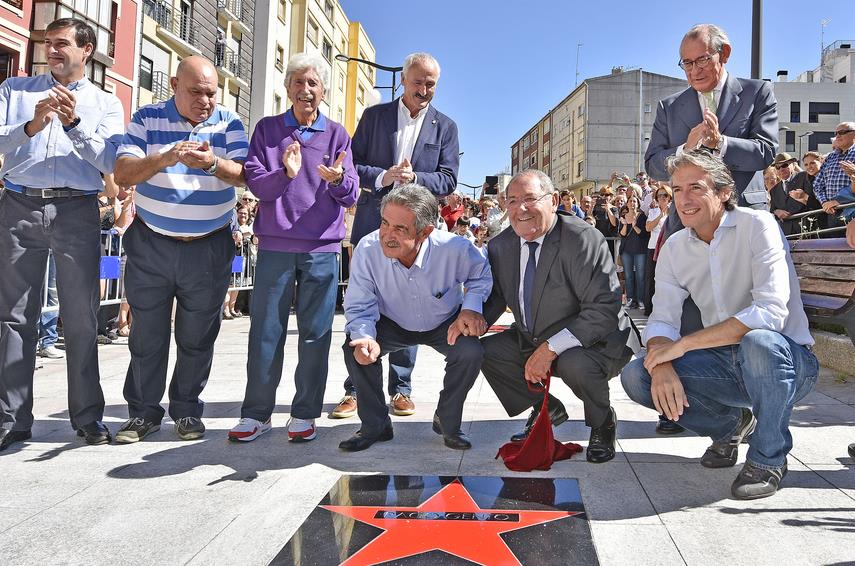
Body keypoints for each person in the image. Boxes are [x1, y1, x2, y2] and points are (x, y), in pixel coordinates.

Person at [621, 151, 818, 500]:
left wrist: (681, 345)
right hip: (724, 363)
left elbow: (770, 313)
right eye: (677, 189)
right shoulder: (675, 247)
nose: (684, 199)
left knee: (760, 342)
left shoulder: (758, 226)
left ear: (724, 192)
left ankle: (767, 457)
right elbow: (663, 317)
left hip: (785, 363)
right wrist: (662, 359)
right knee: (638, 376)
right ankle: (731, 426)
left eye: (696, 187)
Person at [0, 18, 124, 451]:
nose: (51, 50)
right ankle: (12, 419)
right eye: (48, 43)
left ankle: (88, 418)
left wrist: (73, 125)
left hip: (77, 209)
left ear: (86, 50)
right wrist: (32, 125)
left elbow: (110, 161)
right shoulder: (14, 92)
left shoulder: (107, 104)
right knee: (14, 317)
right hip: (18, 204)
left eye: (61, 44)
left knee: (82, 317)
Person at [112, 55, 248, 443]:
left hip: (208, 248)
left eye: (211, 93)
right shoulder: (146, 118)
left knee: (198, 335)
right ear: (173, 85)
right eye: (195, 92)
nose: (205, 101)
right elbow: (123, 173)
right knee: (147, 334)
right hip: (152, 244)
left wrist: (211, 164)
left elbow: (244, 175)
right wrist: (166, 157)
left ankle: (187, 411)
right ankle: (142, 413)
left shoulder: (230, 122)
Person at [227, 52, 359, 443]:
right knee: (266, 331)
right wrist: (286, 172)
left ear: (323, 92)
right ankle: (256, 413)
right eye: (298, 82)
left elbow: (350, 192)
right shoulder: (267, 131)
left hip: (323, 248)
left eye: (313, 83)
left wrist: (336, 180)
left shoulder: (337, 134)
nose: (306, 90)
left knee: (316, 334)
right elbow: (258, 187)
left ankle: (304, 413)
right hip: (276, 246)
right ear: (287, 89)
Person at [334, 52, 460, 420]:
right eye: (418, 82)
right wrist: (385, 177)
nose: (424, 90)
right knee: (364, 302)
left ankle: (401, 389)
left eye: (431, 85)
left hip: (417, 230)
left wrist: (416, 179)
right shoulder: (374, 117)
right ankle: (355, 387)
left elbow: (449, 178)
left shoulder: (446, 127)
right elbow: (351, 164)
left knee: (410, 302)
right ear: (404, 80)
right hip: (374, 221)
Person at [480, 170, 637, 464]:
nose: (520, 209)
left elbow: (603, 309)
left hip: (596, 340)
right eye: (512, 201)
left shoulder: (581, 239)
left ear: (553, 201)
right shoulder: (501, 246)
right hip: (534, 335)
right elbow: (499, 295)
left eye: (530, 199)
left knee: (574, 362)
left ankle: (602, 421)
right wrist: (474, 319)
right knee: (485, 351)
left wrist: (551, 348)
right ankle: (545, 407)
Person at [339, 184, 491, 452]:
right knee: (355, 350)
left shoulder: (454, 247)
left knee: (470, 352)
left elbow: (480, 276)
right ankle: (375, 426)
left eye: (400, 229)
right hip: (391, 322)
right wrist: (364, 336)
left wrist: (470, 307)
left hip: (444, 322)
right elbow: (360, 300)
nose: (387, 235)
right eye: (385, 223)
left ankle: (447, 420)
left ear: (425, 232)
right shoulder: (368, 247)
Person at [645, 23, 777, 214]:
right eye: (687, 63)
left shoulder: (757, 93)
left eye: (702, 60)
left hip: (743, 215)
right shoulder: (669, 107)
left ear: (724, 54)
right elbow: (652, 165)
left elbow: (766, 151)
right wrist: (684, 151)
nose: (694, 70)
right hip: (687, 221)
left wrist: (721, 143)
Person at [812, 122, 855, 233]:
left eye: (842, 132)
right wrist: (824, 202)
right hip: (831, 212)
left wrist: (839, 200)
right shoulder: (830, 157)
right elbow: (818, 184)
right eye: (836, 133)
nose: (838, 136)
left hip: (851, 210)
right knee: (834, 246)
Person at [618, 195, 649, 310]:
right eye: (630, 201)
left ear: (638, 204)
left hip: (640, 249)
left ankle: (641, 300)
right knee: (628, 276)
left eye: (634, 201)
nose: (632, 203)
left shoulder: (642, 217)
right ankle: (630, 299)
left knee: (640, 276)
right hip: (627, 250)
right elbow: (622, 234)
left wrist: (634, 225)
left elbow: (644, 234)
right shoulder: (623, 216)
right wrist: (626, 224)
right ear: (627, 204)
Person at [768, 153, 810, 236]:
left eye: (784, 165)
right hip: (786, 233)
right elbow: (773, 209)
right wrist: (777, 212)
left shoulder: (804, 177)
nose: (781, 169)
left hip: (805, 229)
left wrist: (804, 197)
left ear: (793, 166)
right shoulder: (774, 190)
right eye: (778, 167)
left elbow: (814, 200)